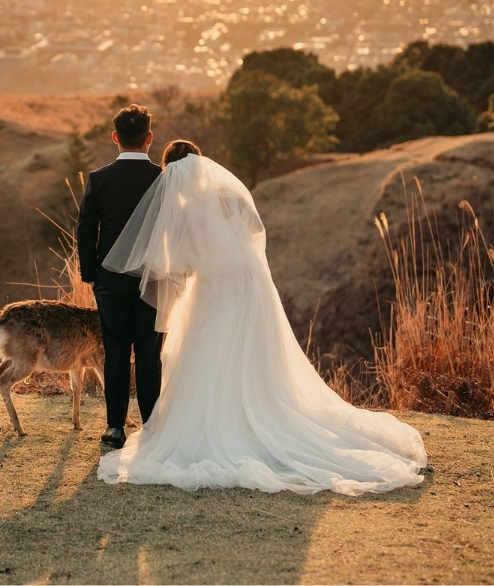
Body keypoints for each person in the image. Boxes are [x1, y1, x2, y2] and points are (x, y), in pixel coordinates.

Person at [96, 140, 428, 495]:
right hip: (250, 285)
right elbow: (255, 228)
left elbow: (180, 261)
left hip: (212, 290)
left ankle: (228, 423)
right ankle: (259, 414)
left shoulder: (180, 208)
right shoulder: (228, 192)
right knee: (254, 358)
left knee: (212, 356)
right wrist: (230, 246)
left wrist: (203, 261)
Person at [75, 104, 164, 449]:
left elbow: (86, 229)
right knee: (148, 352)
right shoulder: (163, 179)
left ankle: (115, 429)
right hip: (154, 278)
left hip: (110, 281)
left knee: (115, 352)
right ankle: (153, 428)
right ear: (149, 138)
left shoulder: (98, 179)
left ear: (116, 138)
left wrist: (90, 274)